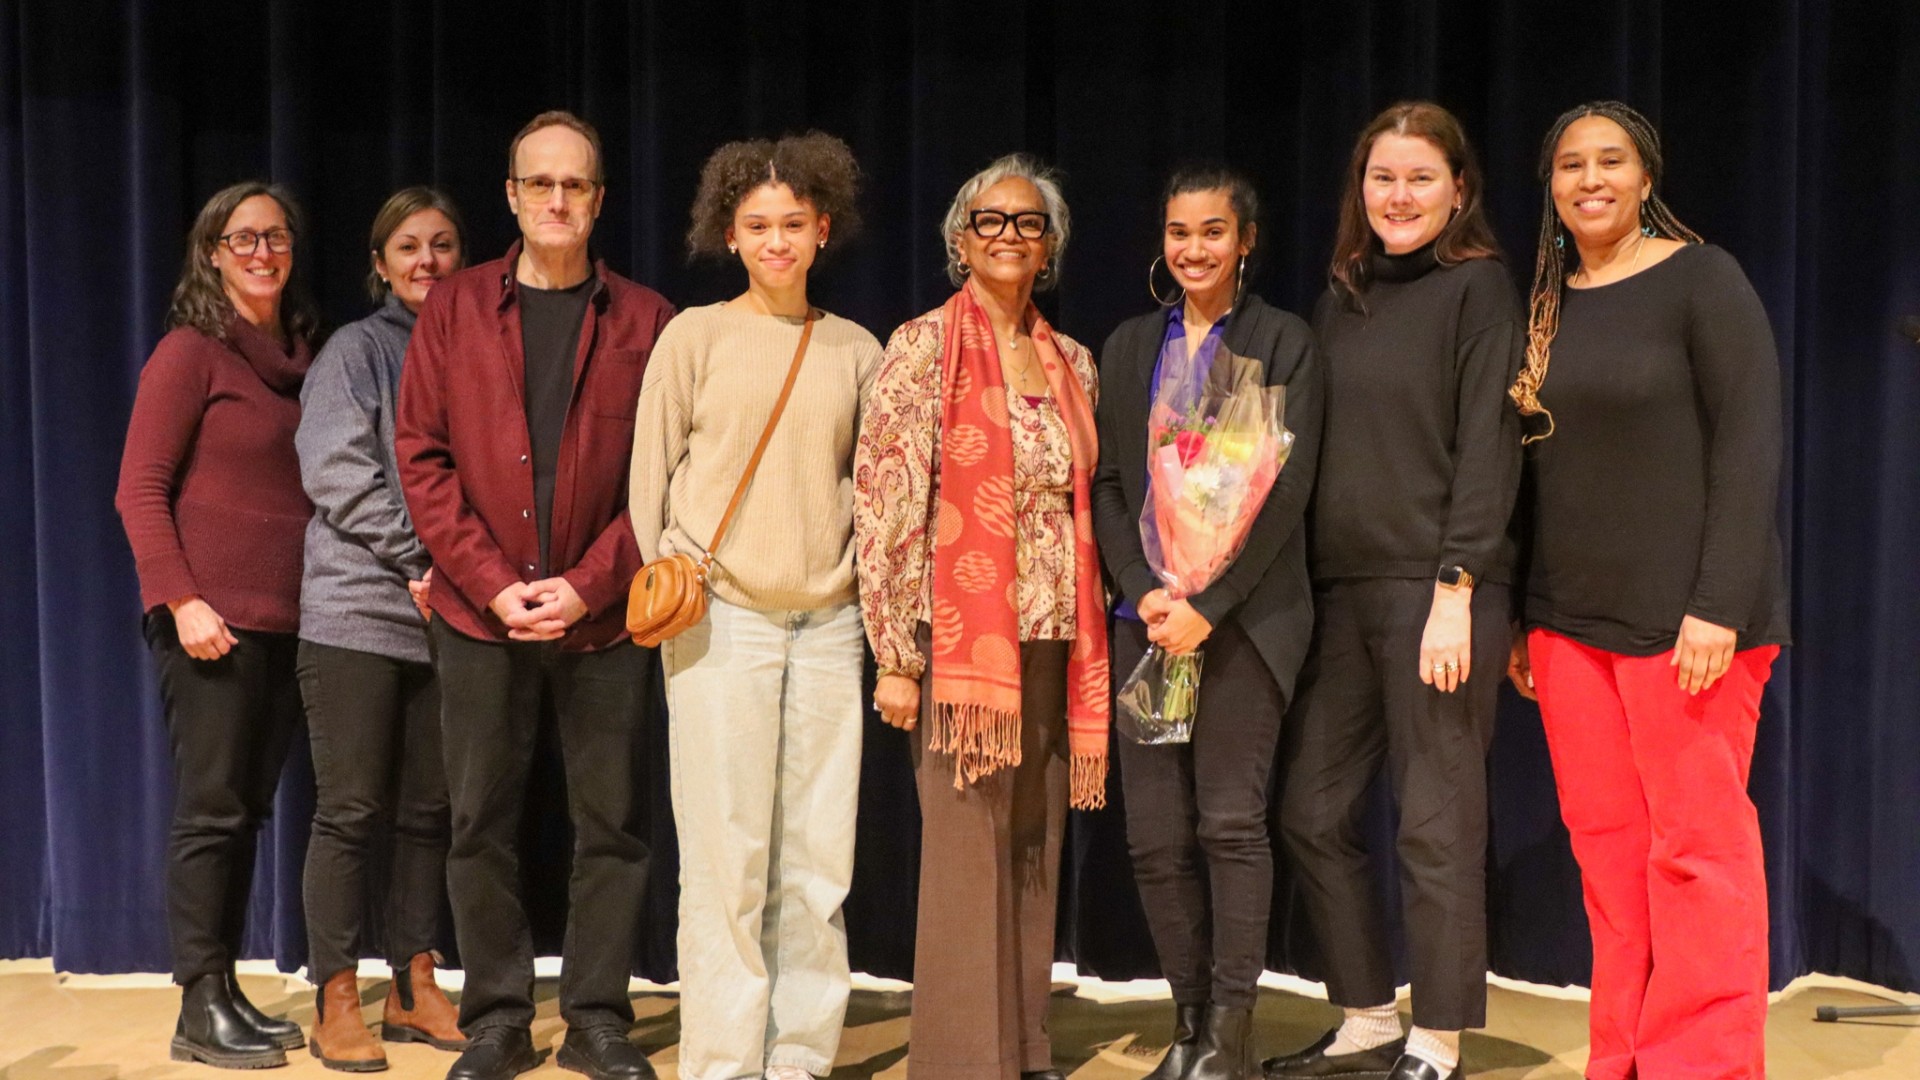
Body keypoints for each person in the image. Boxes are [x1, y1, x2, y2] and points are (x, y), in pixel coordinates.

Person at [1504, 100, 1789, 1080]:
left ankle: (1702, 1065)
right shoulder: (1548, 304)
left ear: (1646, 176)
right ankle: (1622, 1059)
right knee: (1613, 866)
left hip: (1688, 627)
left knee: (1697, 859)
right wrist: (1519, 620)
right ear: (1549, 186)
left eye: (1611, 161)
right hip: (1566, 628)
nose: (1591, 179)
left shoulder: (1703, 279)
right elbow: (1533, 478)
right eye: (1571, 164)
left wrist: (1718, 604)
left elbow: (1750, 445)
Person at [394, 111, 675, 1080]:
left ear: (599, 200)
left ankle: (598, 1017)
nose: (559, 200)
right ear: (512, 196)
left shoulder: (649, 321)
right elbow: (421, 460)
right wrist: (493, 583)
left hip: (605, 622)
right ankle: (499, 1017)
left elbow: (668, 481)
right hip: (481, 615)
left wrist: (589, 584)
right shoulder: (453, 310)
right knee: (480, 823)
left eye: (577, 186)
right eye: (540, 184)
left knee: (616, 826)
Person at [1267, 103, 1522, 1080]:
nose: (1401, 196)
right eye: (1384, 178)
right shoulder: (1347, 293)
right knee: (1313, 810)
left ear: (1459, 188)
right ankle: (1370, 1013)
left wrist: (1456, 586)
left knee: (1434, 820)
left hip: (1438, 591)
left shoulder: (1479, 290)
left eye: (1422, 178)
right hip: (1340, 592)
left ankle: (1441, 1037)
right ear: (1359, 189)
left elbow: (1489, 452)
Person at [627, 131, 879, 1080]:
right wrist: (672, 578)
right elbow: (646, 481)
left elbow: (872, 491)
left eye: (793, 224)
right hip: (718, 623)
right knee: (726, 862)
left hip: (828, 626)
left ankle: (800, 1060)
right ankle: (725, 1064)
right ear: (729, 235)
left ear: (824, 230)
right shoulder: (694, 336)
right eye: (756, 225)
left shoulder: (858, 349)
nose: (777, 240)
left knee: (817, 865)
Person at [856, 153, 1109, 1080]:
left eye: (1028, 223)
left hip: (1054, 638)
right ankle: (966, 1060)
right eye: (991, 220)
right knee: (967, 857)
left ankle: (1027, 1047)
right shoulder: (921, 346)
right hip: (958, 648)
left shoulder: (1071, 360)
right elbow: (886, 501)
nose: (1010, 235)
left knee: (1035, 846)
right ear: (960, 240)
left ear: (1050, 247)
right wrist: (895, 653)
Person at [1091, 165, 1321, 1080]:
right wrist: (1146, 587)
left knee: (1229, 822)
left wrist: (1208, 606)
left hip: (1246, 621)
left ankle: (1233, 1033)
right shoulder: (1127, 345)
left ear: (1245, 240)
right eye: (1181, 232)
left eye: (1214, 232)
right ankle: (1188, 1027)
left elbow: (1288, 490)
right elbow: (1109, 483)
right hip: (1144, 619)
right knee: (1154, 835)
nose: (1195, 249)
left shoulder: (1283, 341)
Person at [115, 181, 321, 1069]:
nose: (262, 252)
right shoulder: (188, 354)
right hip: (210, 624)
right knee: (211, 812)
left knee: (245, 814)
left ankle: (225, 987)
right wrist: (182, 599)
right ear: (212, 253)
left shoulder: (303, 357)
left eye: (275, 237)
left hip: (286, 624)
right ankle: (199, 1003)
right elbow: (138, 491)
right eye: (242, 239)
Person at [296, 186, 470, 1070]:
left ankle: (416, 982)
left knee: (428, 813)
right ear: (379, 262)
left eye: (442, 245)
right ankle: (335, 995)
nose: (426, 261)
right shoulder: (355, 351)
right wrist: (418, 559)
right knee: (352, 809)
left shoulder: (475, 352)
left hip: (447, 615)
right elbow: (336, 471)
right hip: (358, 612)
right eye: (408, 246)